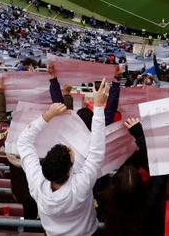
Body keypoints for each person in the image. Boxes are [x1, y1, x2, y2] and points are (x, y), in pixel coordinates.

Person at [18, 80, 109, 236]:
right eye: (70, 152)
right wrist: (99, 107)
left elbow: (23, 142)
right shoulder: (80, 186)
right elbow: (96, 152)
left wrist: (47, 116)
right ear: (69, 172)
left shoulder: (36, 183)